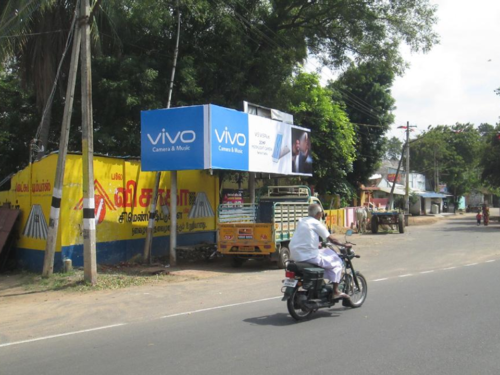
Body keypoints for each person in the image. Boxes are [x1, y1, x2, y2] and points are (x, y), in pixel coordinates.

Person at [289, 203, 349, 299]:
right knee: (337, 262)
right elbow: (331, 239)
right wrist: (343, 244)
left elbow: (305, 236)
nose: (321, 214)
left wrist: (317, 244)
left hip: (295, 254)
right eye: (321, 213)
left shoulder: (302, 221)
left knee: (325, 253)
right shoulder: (316, 223)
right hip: (308, 255)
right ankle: (335, 292)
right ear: (318, 214)